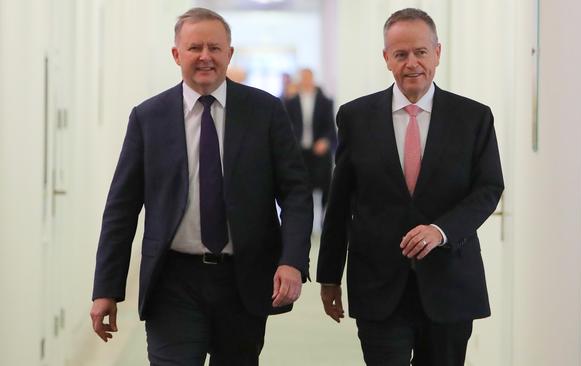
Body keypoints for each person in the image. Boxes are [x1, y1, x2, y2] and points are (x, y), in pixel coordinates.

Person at [89, 7, 313, 366]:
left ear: (229, 53)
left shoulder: (265, 112)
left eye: (214, 47)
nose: (205, 56)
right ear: (177, 54)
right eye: (194, 48)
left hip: (244, 279)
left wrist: (292, 261)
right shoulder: (148, 118)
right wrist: (106, 289)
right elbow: (122, 207)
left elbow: (296, 193)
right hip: (173, 281)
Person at [317, 8, 504, 366]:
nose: (411, 63)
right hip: (378, 285)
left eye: (420, 52)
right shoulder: (356, 117)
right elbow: (339, 202)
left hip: (450, 283)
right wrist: (329, 276)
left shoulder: (473, 118)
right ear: (386, 58)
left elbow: (488, 188)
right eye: (400, 54)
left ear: (438, 52)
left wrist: (441, 230)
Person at [285, 68, 336, 212]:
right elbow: (286, 128)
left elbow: (331, 128)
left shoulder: (325, 102)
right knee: (301, 188)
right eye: (303, 77)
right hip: (299, 153)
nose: (306, 80)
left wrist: (325, 141)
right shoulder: (291, 102)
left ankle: (324, 224)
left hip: (319, 153)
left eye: (309, 77)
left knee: (325, 188)